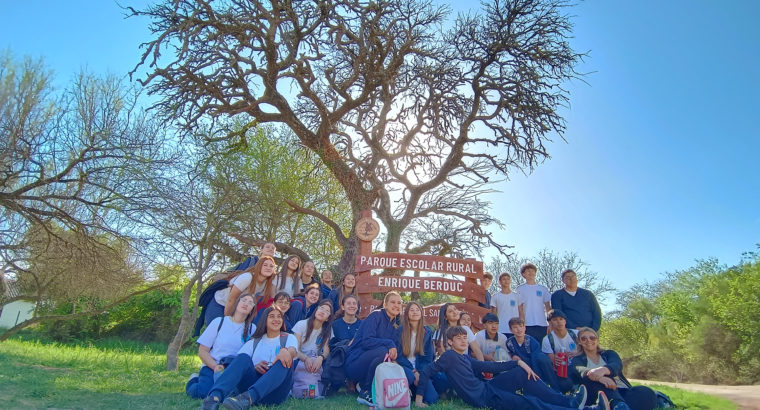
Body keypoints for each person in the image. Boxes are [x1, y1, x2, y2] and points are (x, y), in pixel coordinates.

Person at [415, 326, 609, 410]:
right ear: (449, 342)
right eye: (459, 338)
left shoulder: (464, 357)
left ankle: (568, 402)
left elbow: (488, 365)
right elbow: (426, 371)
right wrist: (419, 398)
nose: (463, 341)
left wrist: (518, 362)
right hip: (484, 398)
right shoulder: (449, 356)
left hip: (488, 388)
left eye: (465, 338)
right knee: (527, 402)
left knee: (521, 373)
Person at [201, 307, 298, 410]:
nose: (276, 319)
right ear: (265, 320)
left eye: (279, 317)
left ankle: (248, 399)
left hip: (275, 392)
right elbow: (239, 362)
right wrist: (255, 367)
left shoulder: (288, 337)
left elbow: (293, 351)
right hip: (252, 384)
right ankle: (213, 399)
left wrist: (286, 351)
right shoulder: (254, 341)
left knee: (285, 360)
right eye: (272, 316)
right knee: (243, 357)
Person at [187, 293, 257, 399]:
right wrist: (215, 366)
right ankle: (194, 379)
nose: (246, 304)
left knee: (228, 395)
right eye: (243, 300)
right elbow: (202, 351)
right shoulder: (219, 322)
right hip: (213, 365)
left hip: (234, 369)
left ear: (252, 309)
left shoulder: (252, 329)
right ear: (237, 303)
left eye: (250, 303)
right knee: (203, 393)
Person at [570, 327, 658, 410]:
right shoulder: (577, 359)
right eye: (584, 338)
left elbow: (616, 365)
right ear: (579, 342)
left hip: (622, 390)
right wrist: (599, 377)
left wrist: (603, 370)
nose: (588, 340)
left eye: (592, 338)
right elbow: (578, 369)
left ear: (597, 340)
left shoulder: (608, 354)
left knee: (645, 391)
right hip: (598, 393)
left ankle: (622, 406)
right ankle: (618, 406)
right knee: (594, 379)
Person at [345, 291, 403, 406]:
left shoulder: (395, 325)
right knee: (382, 351)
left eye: (399, 303)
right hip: (354, 362)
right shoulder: (376, 316)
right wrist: (389, 343)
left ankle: (363, 384)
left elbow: (393, 348)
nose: (396, 305)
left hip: (370, 364)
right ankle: (365, 392)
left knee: (387, 353)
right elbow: (366, 342)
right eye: (393, 302)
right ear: (385, 304)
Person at [205, 255, 276, 326]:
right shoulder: (247, 278)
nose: (268, 268)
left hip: (237, 308)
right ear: (259, 266)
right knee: (217, 328)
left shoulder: (267, 284)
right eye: (265, 265)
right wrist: (228, 320)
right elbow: (231, 299)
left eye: (271, 266)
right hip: (221, 303)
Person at [397, 301, 438, 405]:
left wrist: (421, 374)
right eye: (411, 310)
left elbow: (428, 358)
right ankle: (408, 389)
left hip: (421, 369)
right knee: (411, 376)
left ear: (421, 313)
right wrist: (414, 371)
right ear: (406, 314)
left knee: (432, 399)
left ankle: (412, 391)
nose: (415, 312)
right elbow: (399, 356)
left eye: (417, 310)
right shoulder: (400, 330)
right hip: (405, 366)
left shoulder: (427, 332)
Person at [292, 300, 334, 396]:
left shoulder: (327, 330)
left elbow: (326, 349)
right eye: (321, 308)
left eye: (327, 311)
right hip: (298, 359)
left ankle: (312, 391)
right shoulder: (301, 324)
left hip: (315, 359)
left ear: (328, 318)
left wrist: (321, 357)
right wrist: (306, 358)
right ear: (316, 310)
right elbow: (295, 349)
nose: (322, 311)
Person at [506, 317, 560, 393]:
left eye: (521, 326)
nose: (519, 330)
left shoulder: (531, 341)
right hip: (523, 365)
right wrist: (513, 356)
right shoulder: (509, 342)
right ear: (511, 330)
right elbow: (512, 353)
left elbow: (535, 359)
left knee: (542, 358)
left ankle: (555, 388)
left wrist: (536, 376)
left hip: (536, 364)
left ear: (525, 328)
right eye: (515, 327)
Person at [542, 310, 580, 393]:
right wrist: (557, 358)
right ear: (549, 323)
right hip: (562, 369)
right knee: (564, 384)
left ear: (565, 321)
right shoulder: (547, 339)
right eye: (555, 320)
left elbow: (589, 349)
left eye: (561, 319)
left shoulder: (576, 334)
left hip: (579, 366)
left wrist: (577, 353)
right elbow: (551, 358)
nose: (559, 322)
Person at [516, 263, 552, 342]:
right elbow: (520, 308)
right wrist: (522, 324)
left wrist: (550, 323)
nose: (531, 273)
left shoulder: (543, 289)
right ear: (523, 274)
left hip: (542, 324)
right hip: (527, 324)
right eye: (528, 271)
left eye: (532, 271)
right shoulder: (520, 289)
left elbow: (548, 307)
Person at [491, 272, 521, 338]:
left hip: (515, 329)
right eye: (504, 279)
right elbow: (493, 314)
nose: (506, 281)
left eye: (508, 279)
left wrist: (522, 326)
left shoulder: (517, 296)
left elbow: (521, 312)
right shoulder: (495, 296)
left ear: (510, 281)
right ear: (500, 282)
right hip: (501, 329)